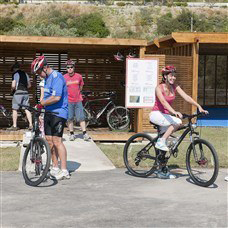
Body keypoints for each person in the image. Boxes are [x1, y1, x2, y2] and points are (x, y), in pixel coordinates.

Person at [149, 65, 208, 179]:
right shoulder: (159, 88)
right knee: (177, 122)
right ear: (165, 76)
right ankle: (161, 141)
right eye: (171, 75)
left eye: (174, 76)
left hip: (165, 115)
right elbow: (163, 102)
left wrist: (198, 106)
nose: (173, 78)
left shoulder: (174, 87)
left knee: (170, 140)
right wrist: (174, 112)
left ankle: (162, 169)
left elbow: (186, 97)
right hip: (156, 114)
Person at [31, 56, 70, 180]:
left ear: (45, 67)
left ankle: (64, 170)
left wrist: (41, 104)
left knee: (57, 141)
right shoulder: (47, 79)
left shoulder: (57, 77)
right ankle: (55, 167)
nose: (38, 75)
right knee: (49, 141)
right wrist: (40, 107)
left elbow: (56, 98)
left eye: (38, 72)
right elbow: (46, 97)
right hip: (48, 112)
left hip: (59, 113)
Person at [63, 59, 91, 141]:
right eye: (68, 67)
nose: (70, 69)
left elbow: (81, 87)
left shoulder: (79, 76)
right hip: (69, 101)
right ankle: (71, 133)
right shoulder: (64, 77)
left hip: (78, 100)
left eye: (71, 67)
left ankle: (84, 133)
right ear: (66, 69)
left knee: (81, 118)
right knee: (70, 118)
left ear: (74, 68)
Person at [9, 62, 33, 131]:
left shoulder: (15, 74)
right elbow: (29, 85)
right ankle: (31, 125)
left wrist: (12, 90)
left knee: (15, 109)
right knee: (26, 109)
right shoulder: (25, 74)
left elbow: (13, 85)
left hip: (18, 93)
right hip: (25, 92)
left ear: (14, 69)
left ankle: (14, 126)